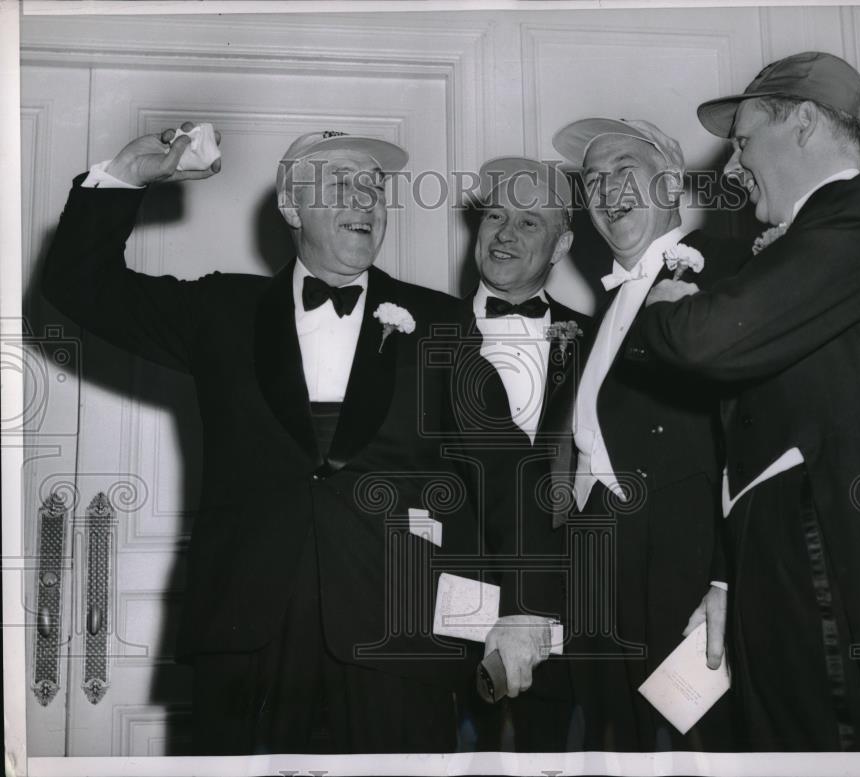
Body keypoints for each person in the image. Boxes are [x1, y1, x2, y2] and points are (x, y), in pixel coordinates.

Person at [43, 123, 514, 754]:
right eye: (340, 183)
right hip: (247, 637)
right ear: (291, 206)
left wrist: (524, 609)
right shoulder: (220, 311)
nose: (365, 200)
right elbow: (79, 284)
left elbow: (507, 471)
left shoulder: (441, 322)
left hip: (399, 641)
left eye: (374, 186)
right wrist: (128, 172)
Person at [639, 51, 860, 751]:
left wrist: (666, 299)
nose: (732, 167)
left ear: (804, 123)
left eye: (744, 140)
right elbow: (768, 433)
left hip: (845, 562)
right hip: (796, 556)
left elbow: (705, 341)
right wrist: (728, 580)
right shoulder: (816, 241)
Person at [550, 118, 748, 751]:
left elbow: (758, 438)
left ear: (669, 178)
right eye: (594, 181)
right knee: (612, 748)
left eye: (623, 169)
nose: (608, 190)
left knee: (696, 751)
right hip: (595, 571)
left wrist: (727, 579)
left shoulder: (731, 270)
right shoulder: (601, 311)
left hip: (681, 569)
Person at [458, 157, 592, 751]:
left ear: (562, 243)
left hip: (562, 614)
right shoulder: (416, 331)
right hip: (443, 619)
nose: (505, 233)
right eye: (495, 216)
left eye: (529, 222)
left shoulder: (603, 341)